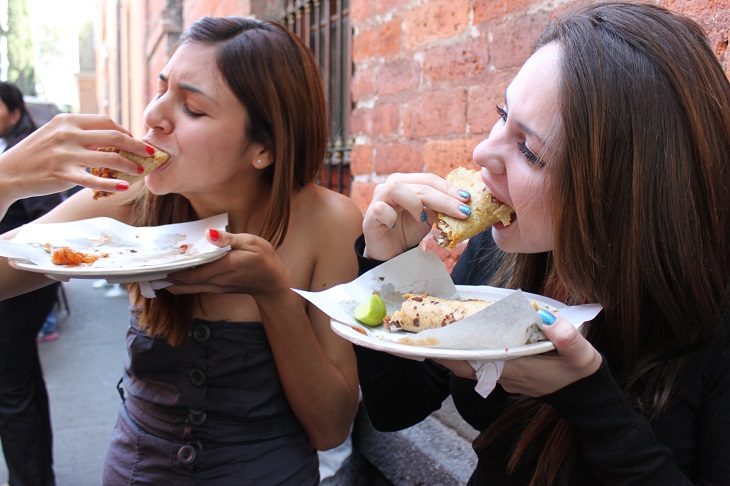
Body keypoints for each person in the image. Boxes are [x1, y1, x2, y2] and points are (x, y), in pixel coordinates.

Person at [355, 2, 730, 484]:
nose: (481, 152)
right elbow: (394, 409)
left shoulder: (711, 322)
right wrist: (388, 264)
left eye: (529, 150)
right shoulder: (501, 253)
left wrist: (587, 398)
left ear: (617, 195)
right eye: (501, 114)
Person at [0, 16, 361, 485]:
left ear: (264, 148)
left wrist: (274, 295)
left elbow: (330, 427)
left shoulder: (330, 222)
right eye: (160, 89)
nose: (154, 117)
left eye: (192, 108)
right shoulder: (129, 196)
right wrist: (7, 180)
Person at [0, 81, 63, 486]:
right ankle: (37, 473)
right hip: (23, 277)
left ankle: (30, 478)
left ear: (12, 106)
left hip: (23, 280)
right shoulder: (15, 142)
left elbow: (48, 217)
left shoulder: (29, 144)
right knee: (20, 378)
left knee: (9, 385)